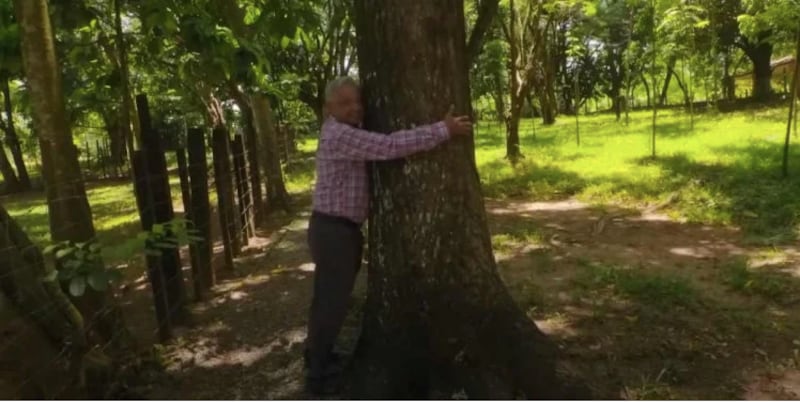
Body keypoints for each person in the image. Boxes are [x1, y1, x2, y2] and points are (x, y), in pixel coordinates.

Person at [304, 76, 472, 394]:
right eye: (344, 103)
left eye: (357, 101)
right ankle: (317, 375)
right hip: (333, 233)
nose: (354, 108)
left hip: (336, 229)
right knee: (332, 302)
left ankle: (317, 356)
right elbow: (389, 146)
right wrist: (443, 130)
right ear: (328, 109)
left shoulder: (344, 129)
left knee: (327, 299)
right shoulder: (340, 134)